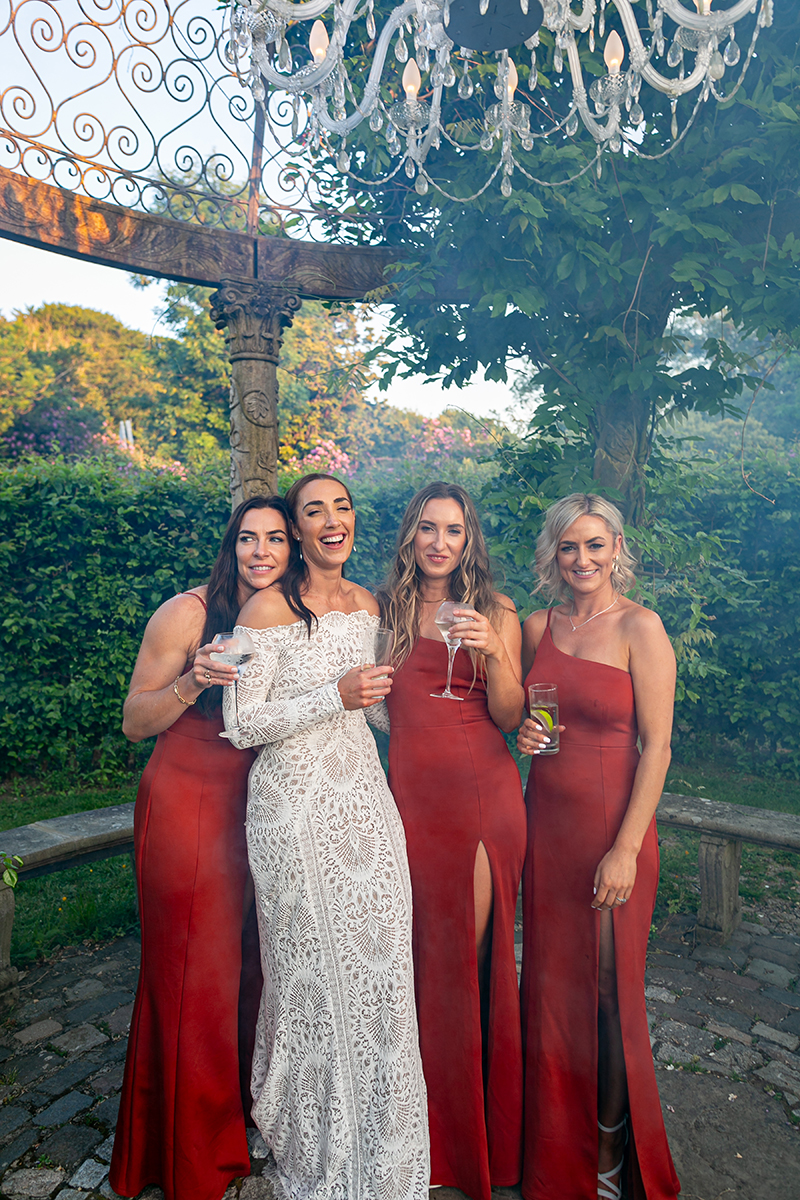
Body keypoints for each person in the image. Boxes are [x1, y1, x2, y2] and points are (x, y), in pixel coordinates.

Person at [223, 472, 430, 1200]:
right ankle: (314, 1146)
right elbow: (242, 724)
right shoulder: (266, 608)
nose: (332, 519)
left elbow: (374, 711)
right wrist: (329, 696)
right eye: (314, 510)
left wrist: (439, 723)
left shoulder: (369, 602)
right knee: (312, 974)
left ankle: (384, 1148)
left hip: (365, 808)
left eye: (340, 506)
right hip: (293, 812)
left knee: (380, 971)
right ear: (298, 530)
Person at [110, 496, 295, 1200]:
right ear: (231, 545)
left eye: (275, 538)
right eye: (247, 538)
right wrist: (192, 681)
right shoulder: (187, 612)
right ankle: (184, 1152)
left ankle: (236, 1117)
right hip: (188, 799)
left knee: (250, 967)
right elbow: (134, 720)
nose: (260, 551)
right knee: (194, 973)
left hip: (259, 807)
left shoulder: (287, 616)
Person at [517, 493, 680, 1200]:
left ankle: (609, 1152)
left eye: (594, 545)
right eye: (568, 546)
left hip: (615, 831)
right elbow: (518, 716)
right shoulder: (533, 627)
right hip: (545, 825)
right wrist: (520, 735)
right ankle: (554, 1148)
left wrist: (626, 847)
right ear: (553, 554)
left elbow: (659, 747)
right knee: (552, 990)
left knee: (610, 994)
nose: (582, 559)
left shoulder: (642, 628)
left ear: (617, 548)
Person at [377, 481, 526, 1200]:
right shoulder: (385, 610)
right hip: (403, 803)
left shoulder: (497, 611)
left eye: (455, 531)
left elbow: (510, 716)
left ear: (470, 541)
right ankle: (414, 1125)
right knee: (411, 958)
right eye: (429, 529)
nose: (441, 543)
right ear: (410, 536)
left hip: (478, 797)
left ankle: (466, 1146)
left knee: (459, 965)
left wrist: (496, 649)